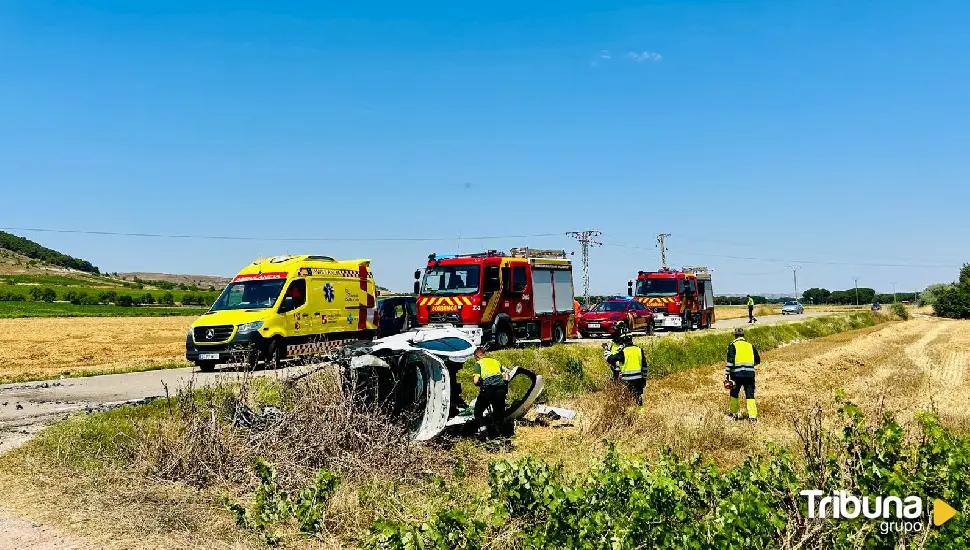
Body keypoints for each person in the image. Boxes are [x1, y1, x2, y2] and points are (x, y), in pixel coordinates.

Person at [606, 325, 649, 405]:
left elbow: (610, 359)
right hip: (638, 379)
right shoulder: (639, 350)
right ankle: (640, 412)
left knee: (626, 399)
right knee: (638, 397)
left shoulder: (623, 351)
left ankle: (629, 414)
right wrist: (644, 378)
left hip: (626, 380)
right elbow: (644, 366)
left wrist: (606, 351)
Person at [472, 346, 509, 437]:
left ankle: (483, 431)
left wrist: (480, 384)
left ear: (477, 357)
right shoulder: (496, 362)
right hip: (500, 390)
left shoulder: (479, 363)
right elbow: (505, 378)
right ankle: (501, 435)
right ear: (485, 354)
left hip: (488, 390)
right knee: (499, 413)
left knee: (478, 412)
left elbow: (475, 381)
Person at [724, 327, 760, 421]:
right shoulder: (750, 345)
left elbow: (730, 361)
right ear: (743, 335)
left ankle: (733, 413)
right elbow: (757, 360)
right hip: (749, 375)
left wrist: (727, 373)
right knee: (750, 395)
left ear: (735, 335)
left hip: (736, 375)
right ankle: (752, 416)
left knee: (734, 393)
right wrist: (749, 366)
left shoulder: (733, 345)